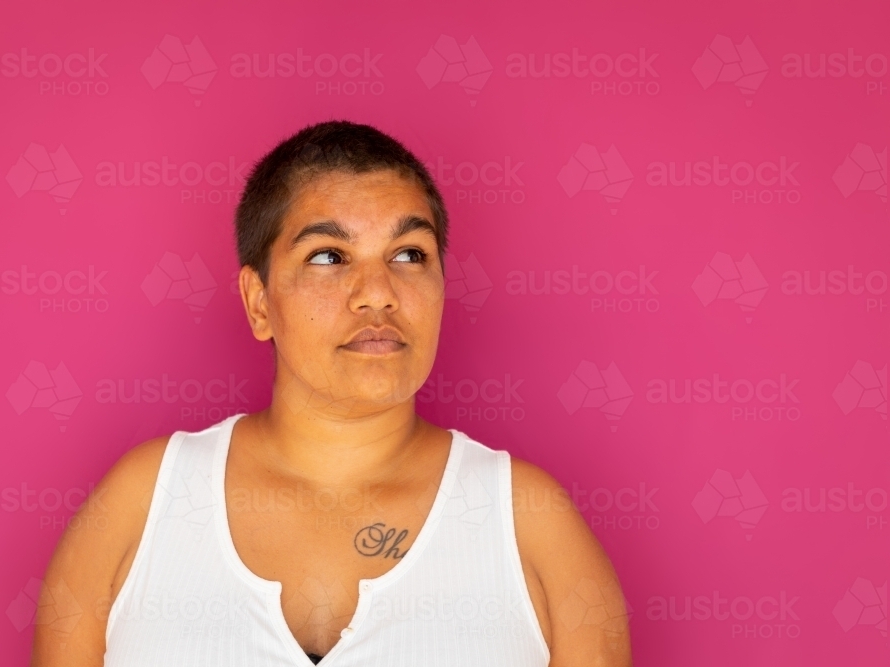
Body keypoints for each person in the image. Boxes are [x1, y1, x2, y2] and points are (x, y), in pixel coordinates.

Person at [31, 120, 632, 666]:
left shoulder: (531, 524)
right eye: (329, 256)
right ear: (259, 301)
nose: (378, 293)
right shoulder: (141, 504)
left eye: (409, 254)